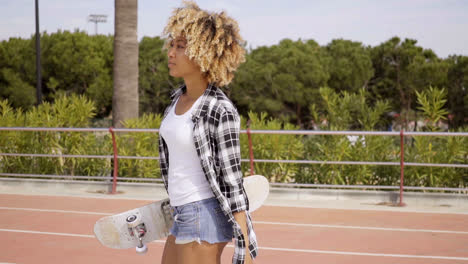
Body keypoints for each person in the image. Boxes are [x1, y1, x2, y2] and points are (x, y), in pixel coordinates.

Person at [158, 1, 258, 264]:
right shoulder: (175, 101)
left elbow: (232, 182)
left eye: (180, 47)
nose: (171, 52)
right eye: (172, 44)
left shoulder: (219, 110)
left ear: (203, 54)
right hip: (180, 213)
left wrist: (245, 247)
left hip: (203, 215)